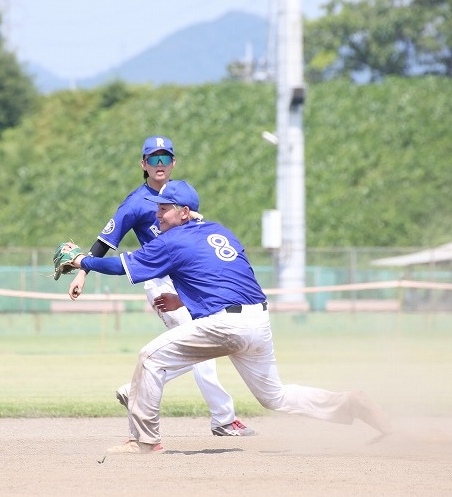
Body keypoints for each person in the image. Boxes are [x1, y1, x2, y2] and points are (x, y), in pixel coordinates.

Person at [62, 180, 391, 454]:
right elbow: (227, 276)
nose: (157, 214)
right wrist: (182, 298)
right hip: (257, 320)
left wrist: (81, 261)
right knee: (274, 396)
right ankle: (350, 403)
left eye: (164, 208)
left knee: (150, 358)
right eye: (157, 207)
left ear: (184, 212)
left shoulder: (172, 240)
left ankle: (145, 441)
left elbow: (120, 266)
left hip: (227, 324)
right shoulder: (218, 231)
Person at [67, 136, 254, 437]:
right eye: (152, 159)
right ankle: (223, 418)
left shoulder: (181, 196)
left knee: (198, 346)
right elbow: (105, 241)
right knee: (200, 345)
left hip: (188, 280)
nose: (159, 164)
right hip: (160, 281)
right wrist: (82, 273)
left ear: (173, 162)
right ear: (143, 164)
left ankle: (136, 389)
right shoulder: (135, 203)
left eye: (164, 158)